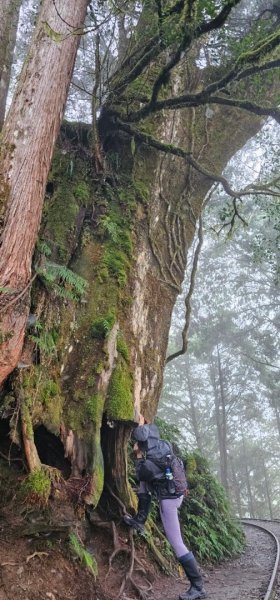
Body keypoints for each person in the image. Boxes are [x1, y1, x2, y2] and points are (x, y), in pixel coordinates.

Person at [123, 417, 206, 600]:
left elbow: (141, 473)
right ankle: (140, 519)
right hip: (176, 493)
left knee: (177, 543)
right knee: (144, 484)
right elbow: (145, 480)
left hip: (169, 500)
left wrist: (137, 456)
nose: (136, 444)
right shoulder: (163, 446)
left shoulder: (150, 460)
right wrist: (142, 423)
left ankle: (198, 587)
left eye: (138, 442)